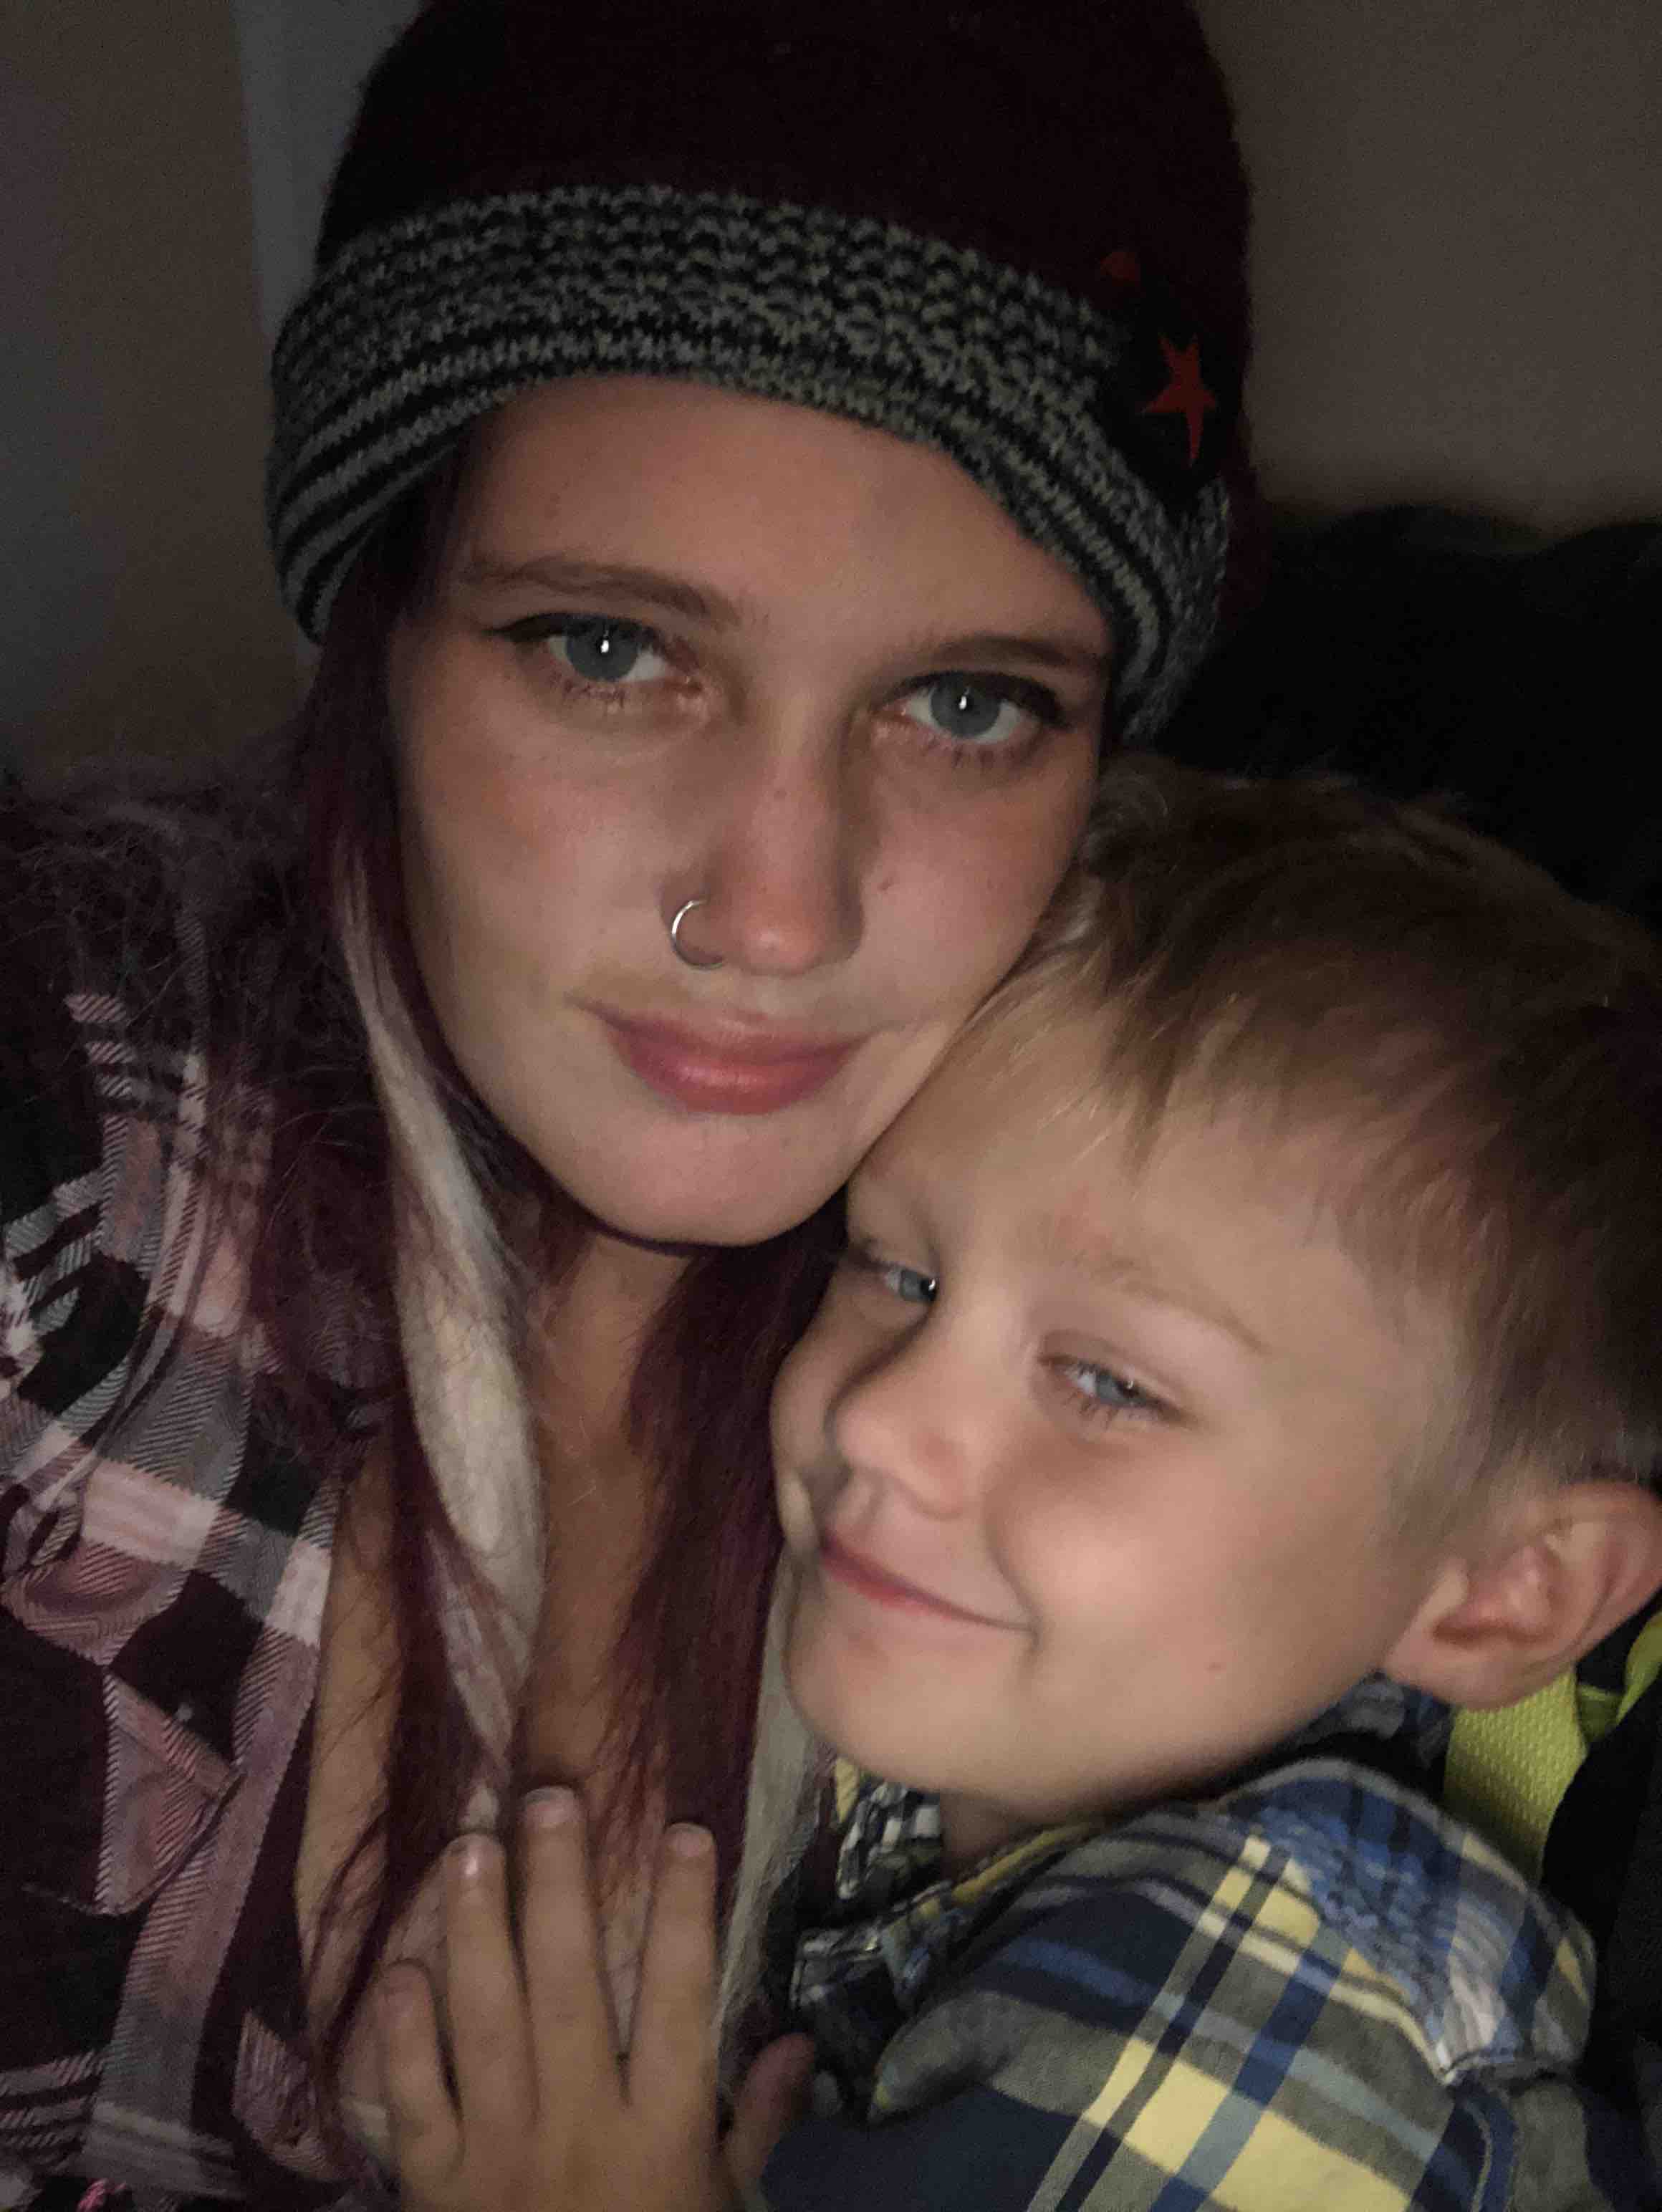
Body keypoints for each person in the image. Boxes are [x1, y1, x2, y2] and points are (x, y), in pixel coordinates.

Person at [0, 2, 1259, 2206]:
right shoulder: (71, 1152)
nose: (776, 915)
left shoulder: (1126, 1426)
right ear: (386, 630)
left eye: (970, 705)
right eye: (608, 649)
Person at [374, 761, 1662, 2211]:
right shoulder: (1004, 1739)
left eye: (1108, 1382)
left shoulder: (1265, 2016)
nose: (880, 1418)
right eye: (898, 1272)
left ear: (1505, 1592)